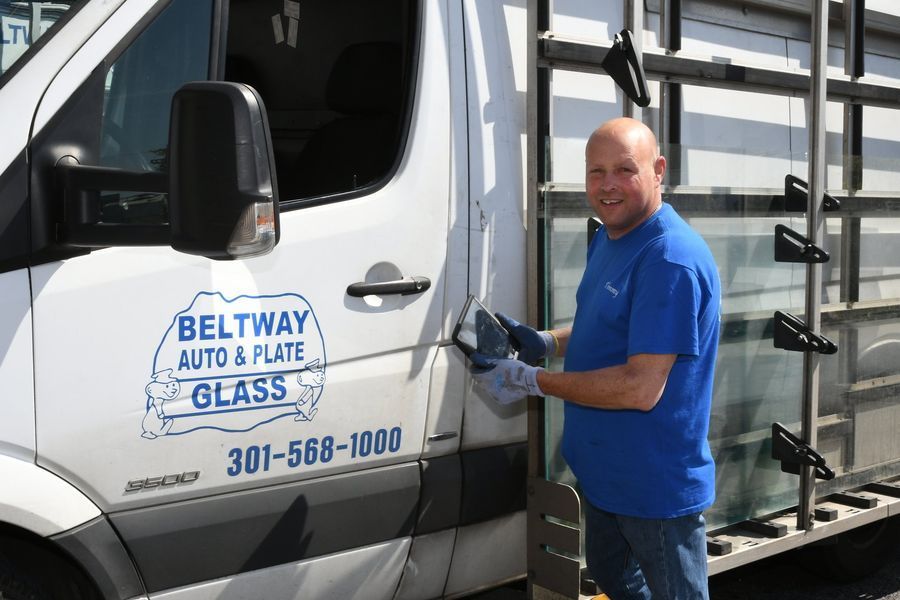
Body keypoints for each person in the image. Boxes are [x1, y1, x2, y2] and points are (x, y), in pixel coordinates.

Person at [471, 117, 721, 599]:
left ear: (658, 170)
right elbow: (609, 327)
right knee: (610, 573)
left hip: (652, 488)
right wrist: (548, 342)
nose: (607, 185)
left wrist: (532, 380)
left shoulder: (667, 257)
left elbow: (640, 387)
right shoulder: (612, 235)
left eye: (625, 169)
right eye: (595, 171)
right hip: (608, 476)